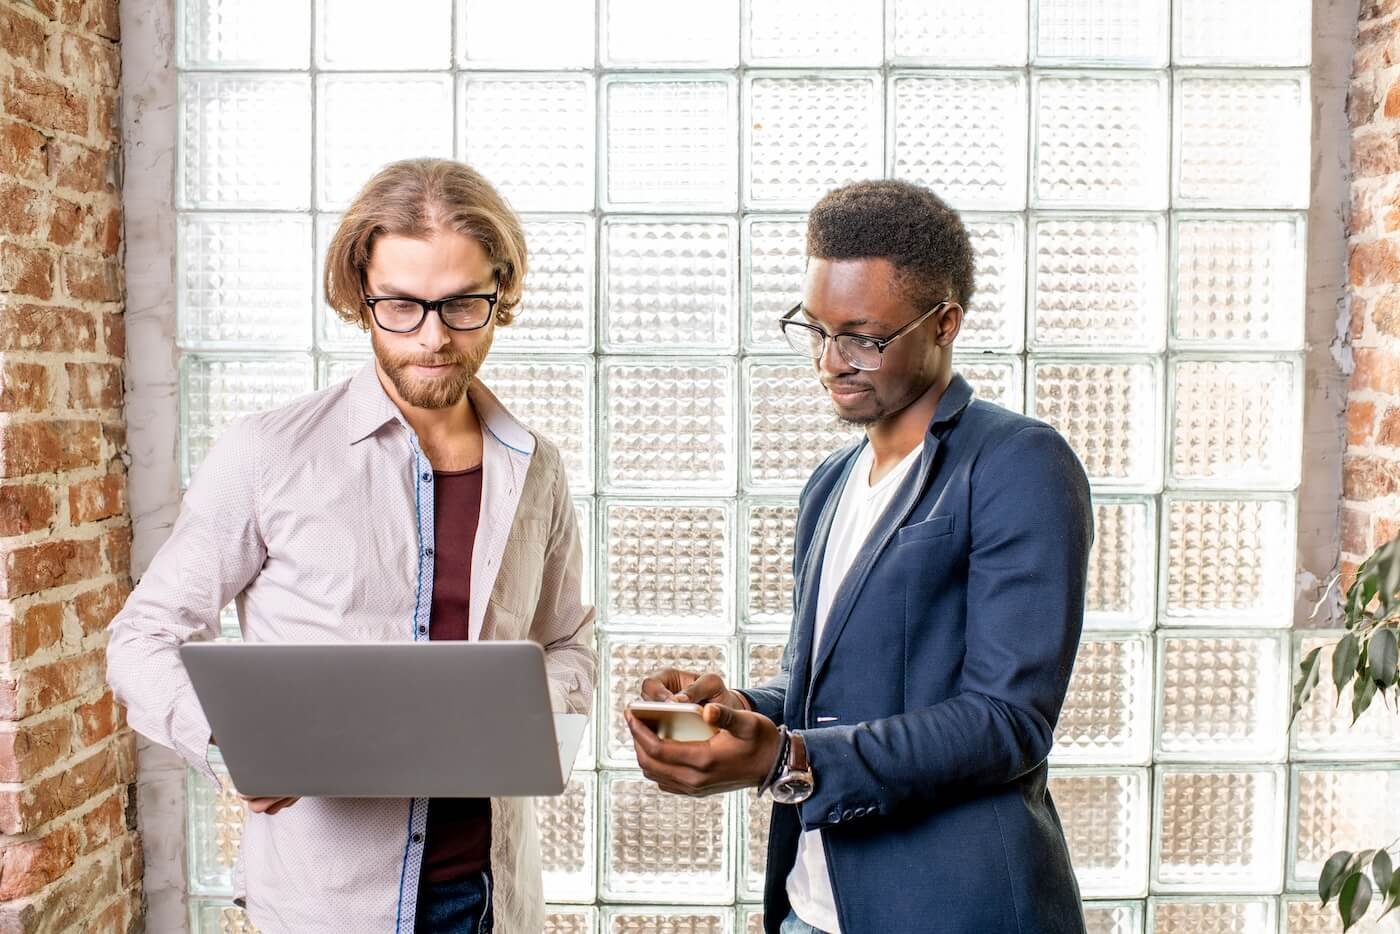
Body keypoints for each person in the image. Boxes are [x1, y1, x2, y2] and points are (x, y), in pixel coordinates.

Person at [107, 158, 595, 934]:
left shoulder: (537, 466)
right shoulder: (267, 454)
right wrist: (228, 744)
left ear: (501, 295)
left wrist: (530, 709)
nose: (434, 338)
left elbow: (569, 641)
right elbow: (142, 636)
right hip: (325, 906)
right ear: (358, 295)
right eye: (401, 305)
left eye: (464, 304)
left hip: (495, 901)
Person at [627, 179, 1093, 934]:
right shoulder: (831, 483)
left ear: (944, 324)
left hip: (952, 912)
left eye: (863, 337)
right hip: (812, 908)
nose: (831, 361)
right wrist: (735, 712)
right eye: (815, 330)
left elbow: (1009, 720)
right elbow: (830, 691)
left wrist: (788, 760)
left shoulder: (1016, 463)